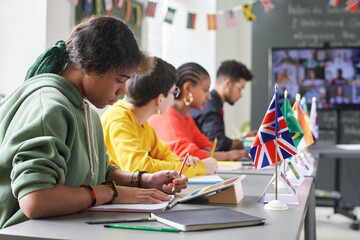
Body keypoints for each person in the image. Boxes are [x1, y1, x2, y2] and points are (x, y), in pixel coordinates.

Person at [0, 16, 187, 229]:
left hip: (62, 228)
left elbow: (96, 172)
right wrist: (110, 193)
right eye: (119, 79)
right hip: (23, 232)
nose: (123, 91)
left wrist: (143, 180)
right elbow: (35, 200)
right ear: (89, 65)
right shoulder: (51, 107)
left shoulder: (85, 109)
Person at [101, 57, 218, 177]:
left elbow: (164, 154)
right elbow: (140, 168)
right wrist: (199, 167)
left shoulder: (140, 121)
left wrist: (183, 162)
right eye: (174, 92)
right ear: (160, 99)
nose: (174, 98)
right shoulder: (119, 120)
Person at [148, 62, 249, 161]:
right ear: (187, 88)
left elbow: (207, 146)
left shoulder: (185, 117)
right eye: (205, 90)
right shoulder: (167, 115)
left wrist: (203, 154)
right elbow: (189, 155)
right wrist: (230, 155)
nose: (209, 96)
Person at [189, 60, 256, 152]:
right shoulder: (210, 107)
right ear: (228, 83)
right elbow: (217, 144)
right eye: (240, 89)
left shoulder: (214, 105)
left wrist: (244, 138)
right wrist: (247, 142)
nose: (241, 95)